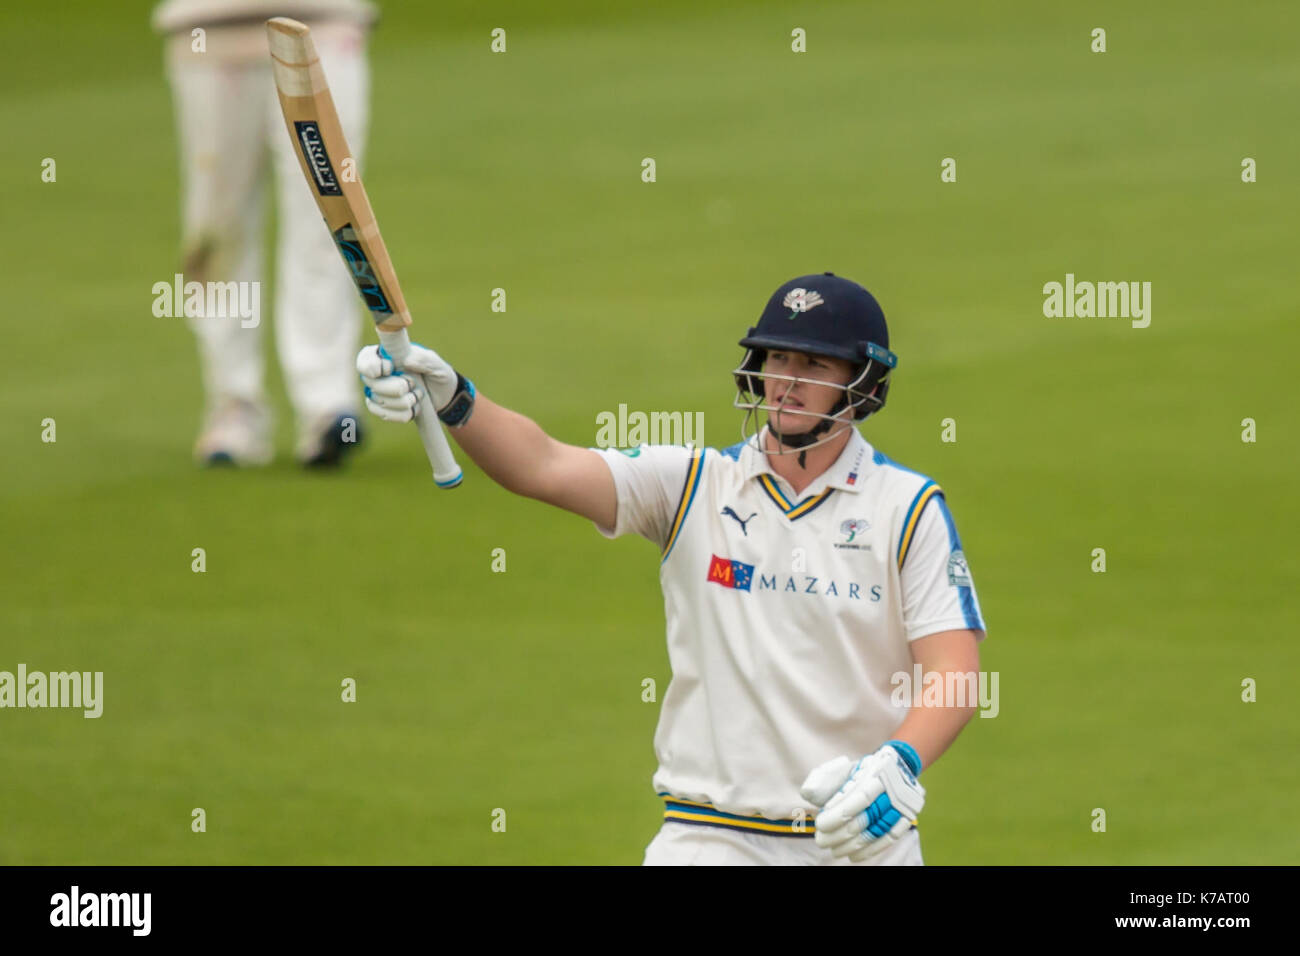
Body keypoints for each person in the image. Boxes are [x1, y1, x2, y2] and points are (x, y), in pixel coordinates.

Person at [357, 273, 988, 865]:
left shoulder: (907, 508)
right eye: (776, 359)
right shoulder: (691, 483)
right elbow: (543, 466)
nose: (785, 381)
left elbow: (955, 674)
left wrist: (899, 763)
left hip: (856, 837)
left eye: (813, 364)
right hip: (707, 838)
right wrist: (455, 398)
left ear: (864, 384)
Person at [154, 0, 378, 466]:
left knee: (330, 215)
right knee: (216, 226)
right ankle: (233, 405)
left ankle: (326, 402)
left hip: (323, 22)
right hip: (208, 28)